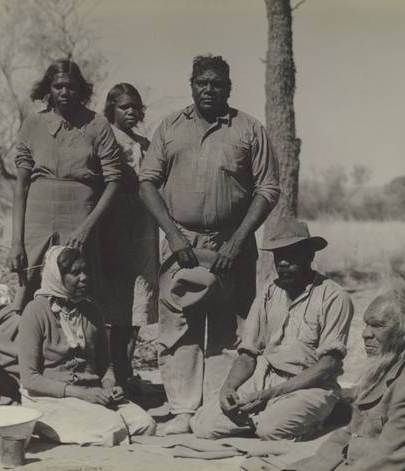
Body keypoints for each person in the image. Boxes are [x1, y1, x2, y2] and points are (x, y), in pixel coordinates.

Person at [139, 54, 280, 434]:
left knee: (230, 326)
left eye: (216, 83)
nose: (208, 89)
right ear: (191, 85)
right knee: (178, 325)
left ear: (228, 88)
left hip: (230, 243)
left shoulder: (249, 129)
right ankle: (183, 409)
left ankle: (219, 405)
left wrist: (237, 240)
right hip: (180, 242)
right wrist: (171, 234)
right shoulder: (169, 127)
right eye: (202, 82)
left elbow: (268, 188)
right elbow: (147, 182)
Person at [191, 217, 354, 441]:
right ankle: (269, 417)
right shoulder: (269, 291)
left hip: (310, 386)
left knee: (270, 429)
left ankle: (325, 411)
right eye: (279, 257)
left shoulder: (333, 296)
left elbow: (328, 365)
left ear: (310, 256)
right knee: (204, 426)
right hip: (265, 379)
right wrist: (229, 387)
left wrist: (270, 396)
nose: (283, 264)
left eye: (291, 256)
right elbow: (248, 353)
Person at [291, 276, 405, 471]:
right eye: (366, 324)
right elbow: (348, 435)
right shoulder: (385, 371)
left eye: (378, 325)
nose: (365, 333)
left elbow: (386, 462)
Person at [8, 59, 121, 312]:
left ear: (81, 89)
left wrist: (86, 227)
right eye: (58, 86)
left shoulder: (97, 125)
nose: (64, 92)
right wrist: (16, 241)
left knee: (79, 287)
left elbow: (114, 181)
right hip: (38, 217)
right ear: (49, 88)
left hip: (81, 214)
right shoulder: (33, 124)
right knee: (30, 289)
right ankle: (30, 347)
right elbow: (21, 186)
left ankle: (80, 348)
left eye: (71, 86)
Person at [17, 245, 156, 446]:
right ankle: (44, 424)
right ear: (57, 276)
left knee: (145, 424)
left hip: (91, 394)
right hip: (49, 398)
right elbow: (29, 379)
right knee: (112, 428)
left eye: (85, 271)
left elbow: (105, 365)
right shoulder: (35, 311)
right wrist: (80, 393)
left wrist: (110, 385)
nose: (84, 278)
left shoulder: (91, 311)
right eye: (75, 273)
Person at [100, 83, 159, 392]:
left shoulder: (146, 143)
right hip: (113, 225)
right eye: (124, 106)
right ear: (112, 108)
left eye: (135, 106)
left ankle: (126, 370)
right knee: (112, 304)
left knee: (137, 302)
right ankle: (109, 371)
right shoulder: (103, 137)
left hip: (143, 227)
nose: (131, 112)